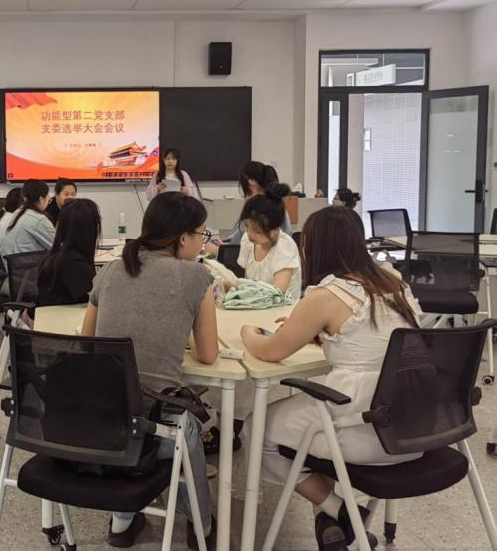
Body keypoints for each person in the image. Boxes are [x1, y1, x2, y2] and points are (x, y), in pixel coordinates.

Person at [241, 206, 421, 549]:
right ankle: (331, 517)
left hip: (365, 426)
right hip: (415, 424)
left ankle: (339, 510)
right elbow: (373, 339)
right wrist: (317, 331)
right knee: (309, 427)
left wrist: (249, 332)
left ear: (317, 246)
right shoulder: (394, 283)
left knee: (256, 428)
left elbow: (269, 351)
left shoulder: (326, 294)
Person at [80, 192, 219, 549]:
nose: (203, 243)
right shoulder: (195, 275)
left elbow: (87, 342)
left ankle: (122, 522)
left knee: (144, 411)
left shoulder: (111, 269)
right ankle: (202, 525)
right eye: (202, 234)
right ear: (183, 237)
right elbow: (208, 355)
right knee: (187, 424)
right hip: (153, 429)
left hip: (94, 422)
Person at [206, 161, 291, 255]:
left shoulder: (257, 211)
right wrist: (226, 247)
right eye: (247, 227)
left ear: (251, 184)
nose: (249, 233)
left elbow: (244, 252)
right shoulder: (277, 206)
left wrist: (219, 250)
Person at [234, 186, 302, 301]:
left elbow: (276, 293)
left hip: (281, 307)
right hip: (255, 305)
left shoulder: (284, 247)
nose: (250, 234)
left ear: (274, 229)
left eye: (257, 231)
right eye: (246, 226)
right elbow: (247, 284)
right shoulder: (248, 241)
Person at [37, 199, 100, 306]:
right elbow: (97, 300)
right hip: (62, 315)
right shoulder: (74, 264)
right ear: (88, 228)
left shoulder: (62, 255)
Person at [0, 179, 56, 258]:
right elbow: (58, 247)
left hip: (14, 264)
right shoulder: (38, 220)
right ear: (41, 199)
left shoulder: (17, 213)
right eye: (48, 199)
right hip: (28, 265)